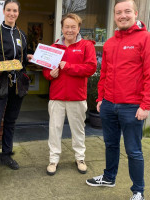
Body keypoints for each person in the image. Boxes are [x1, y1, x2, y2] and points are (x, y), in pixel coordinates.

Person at [85, 1, 150, 200]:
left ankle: (138, 191)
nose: (122, 15)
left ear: (135, 13)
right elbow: (104, 74)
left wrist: (146, 105)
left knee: (134, 151)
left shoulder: (147, 39)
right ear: (114, 16)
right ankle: (109, 177)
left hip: (132, 107)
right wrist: (100, 99)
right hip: (109, 105)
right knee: (110, 144)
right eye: (118, 12)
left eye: (127, 11)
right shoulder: (110, 43)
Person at [42, 13, 97, 176]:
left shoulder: (86, 46)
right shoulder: (53, 47)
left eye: (73, 27)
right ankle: (53, 159)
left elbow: (91, 68)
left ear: (78, 28)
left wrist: (69, 67)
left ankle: (80, 158)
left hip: (77, 97)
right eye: (67, 26)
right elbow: (46, 72)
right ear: (62, 28)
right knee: (54, 130)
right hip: (57, 97)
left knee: (78, 130)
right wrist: (49, 74)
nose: (70, 30)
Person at [0, 0, 29, 170]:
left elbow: (24, 62)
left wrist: (27, 61)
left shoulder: (22, 35)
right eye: (9, 10)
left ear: (18, 13)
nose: (12, 13)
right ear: (3, 11)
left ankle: (7, 155)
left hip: (17, 86)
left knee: (10, 122)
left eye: (15, 10)